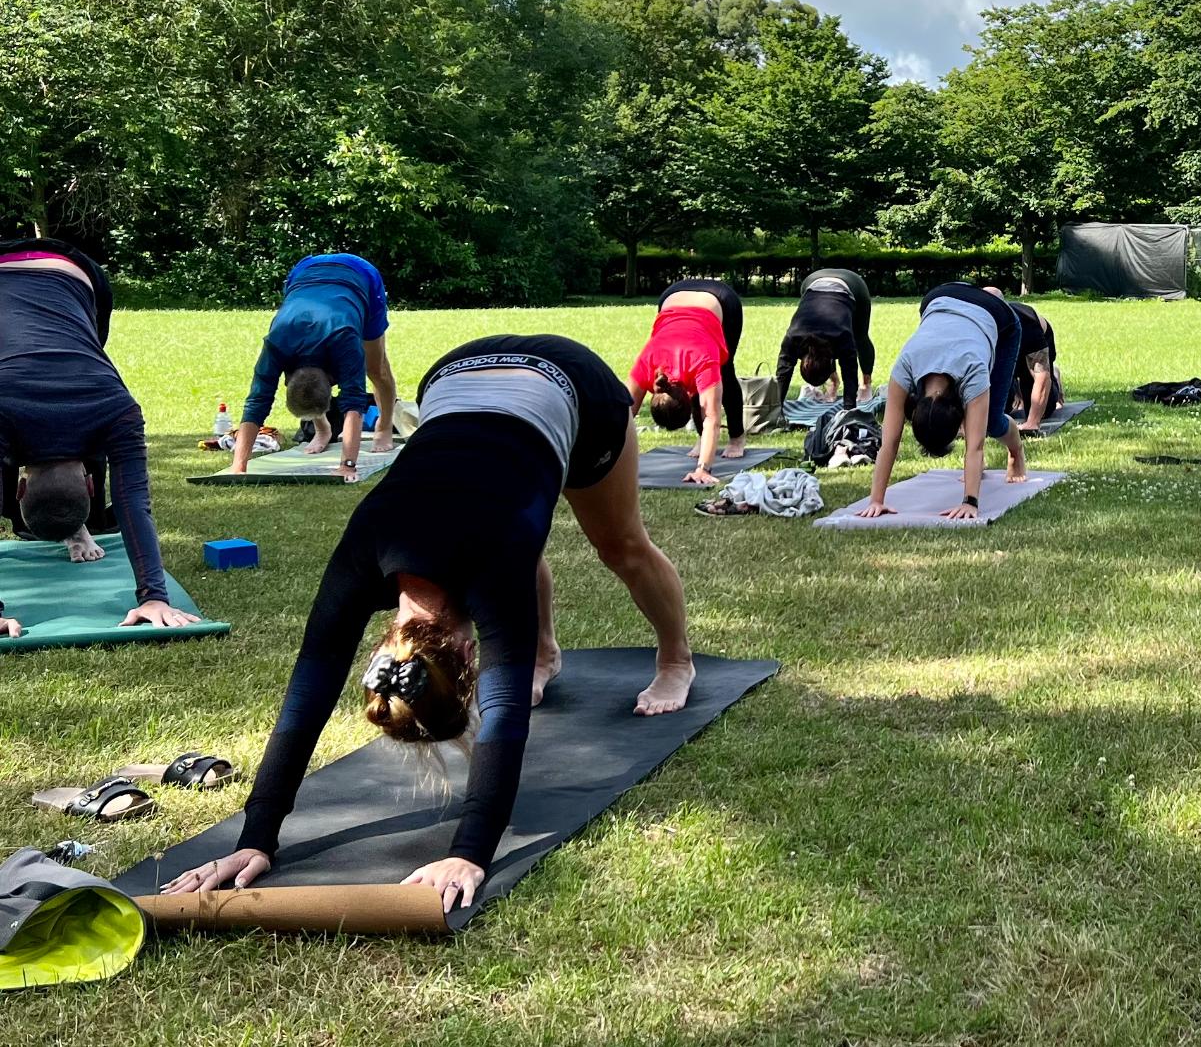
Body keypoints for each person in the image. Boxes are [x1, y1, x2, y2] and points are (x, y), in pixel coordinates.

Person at [158, 333, 696, 912]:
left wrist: (471, 852)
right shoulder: (368, 555)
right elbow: (307, 693)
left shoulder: (472, 563)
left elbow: (504, 716)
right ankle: (545, 653)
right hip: (454, 377)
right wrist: (255, 838)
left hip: (572, 383)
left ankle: (676, 660)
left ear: (468, 656)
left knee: (619, 545)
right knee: (514, 527)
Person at [0, 238, 200, 637]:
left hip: (75, 272)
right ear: (92, 486)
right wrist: (153, 597)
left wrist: (155, 596)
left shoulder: (117, 408)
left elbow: (135, 504)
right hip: (67, 273)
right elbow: (133, 503)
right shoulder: (115, 409)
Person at [859, 282, 1025, 521]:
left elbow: (975, 446)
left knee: (991, 422)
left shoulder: (973, 370)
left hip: (996, 314)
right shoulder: (905, 366)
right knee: (980, 419)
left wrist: (970, 502)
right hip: (939, 298)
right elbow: (889, 442)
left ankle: (1016, 451)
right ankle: (980, 467)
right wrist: (876, 500)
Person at [230, 253, 399, 481]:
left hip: (361, 276)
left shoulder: (345, 341)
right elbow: (256, 402)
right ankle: (322, 429)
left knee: (376, 369)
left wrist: (347, 466)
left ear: (331, 381)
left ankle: (384, 426)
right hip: (306, 271)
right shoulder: (276, 345)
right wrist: (239, 466)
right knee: (305, 389)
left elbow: (354, 402)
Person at [629, 278, 746, 486]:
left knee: (725, 373)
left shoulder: (704, 361)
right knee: (711, 389)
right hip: (671, 296)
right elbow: (623, 414)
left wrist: (703, 470)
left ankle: (737, 437)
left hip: (720, 299)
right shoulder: (647, 363)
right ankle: (702, 438)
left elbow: (712, 419)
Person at [773, 268, 874, 410]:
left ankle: (866, 384)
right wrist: (776, 408)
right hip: (812, 282)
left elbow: (850, 374)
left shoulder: (842, 335)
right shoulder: (793, 338)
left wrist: (849, 410)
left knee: (860, 337)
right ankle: (834, 382)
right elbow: (783, 373)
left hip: (852, 284)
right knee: (830, 352)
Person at [983, 288, 1064, 433]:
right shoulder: (975, 323)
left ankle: (1055, 379)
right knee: (999, 409)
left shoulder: (1026, 324)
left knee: (1044, 410)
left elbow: (1041, 375)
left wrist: (1032, 423)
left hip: (1031, 350)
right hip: (1003, 353)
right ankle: (1014, 385)